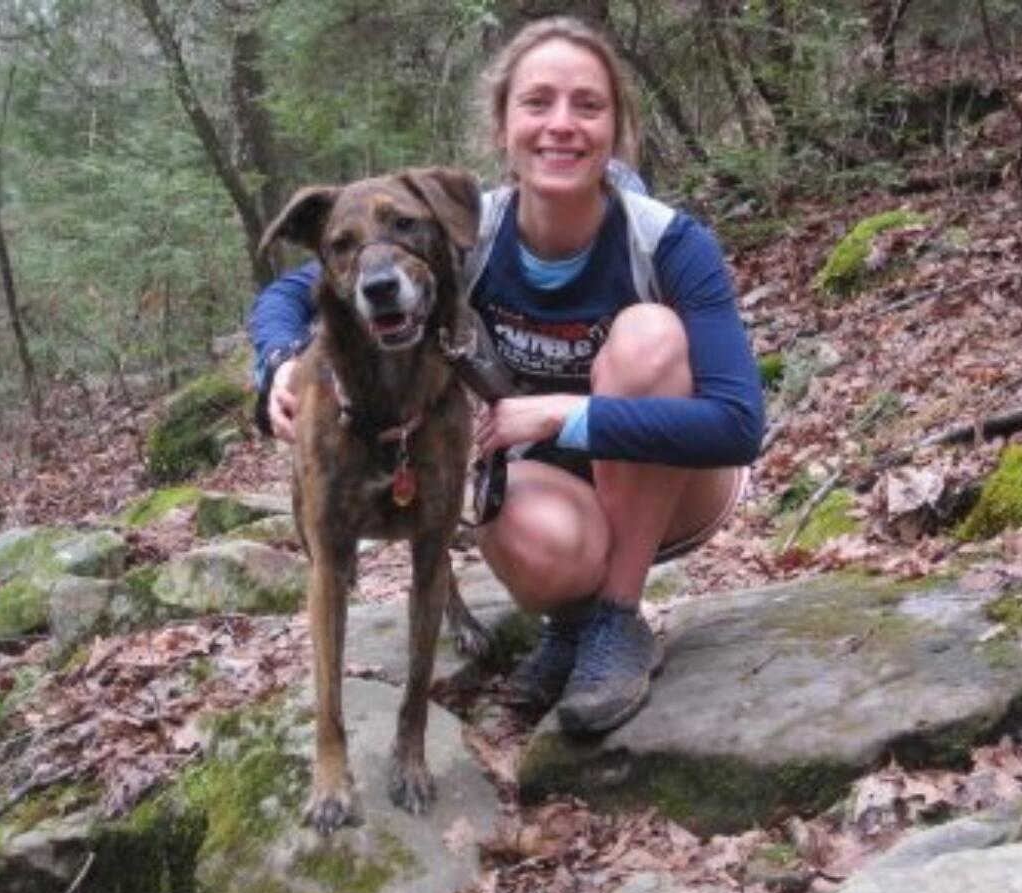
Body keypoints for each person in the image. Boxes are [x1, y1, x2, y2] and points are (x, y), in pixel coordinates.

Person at [249, 16, 763, 736]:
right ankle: (575, 622)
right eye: (537, 103)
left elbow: (739, 426)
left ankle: (616, 618)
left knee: (647, 337)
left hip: (677, 484)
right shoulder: (460, 230)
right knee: (502, 509)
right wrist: (276, 363)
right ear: (502, 128)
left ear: (616, 128)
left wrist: (560, 415)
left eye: (587, 105)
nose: (561, 125)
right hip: (559, 496)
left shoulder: (667, 241)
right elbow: (295, 290)